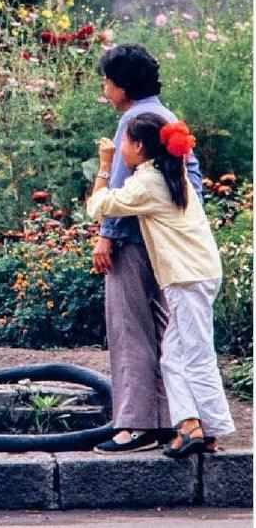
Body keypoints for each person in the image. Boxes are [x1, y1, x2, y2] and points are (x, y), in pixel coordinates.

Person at [88, 113, 235, 456]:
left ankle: (210, 428)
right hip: (192, 273)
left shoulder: (149, 183)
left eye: (124, 141)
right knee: (173, 356)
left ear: (139, 146)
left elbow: (98, 206)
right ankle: (190, 427)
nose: (121, 147)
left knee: (195, 354)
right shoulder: (167, 172)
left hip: (188, 276)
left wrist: (105, 165)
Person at [90, 44, 203, 453]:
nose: (104, 89)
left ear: (123, 85)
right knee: (162, 332)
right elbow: (194, 183)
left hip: (134, 241)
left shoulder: (134, 123)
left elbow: (121, 188)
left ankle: (137, 424)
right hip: (166, 243)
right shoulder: (167, 117)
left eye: (107, 82)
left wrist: (107, 236)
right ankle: (173, 418)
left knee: (130, 328)